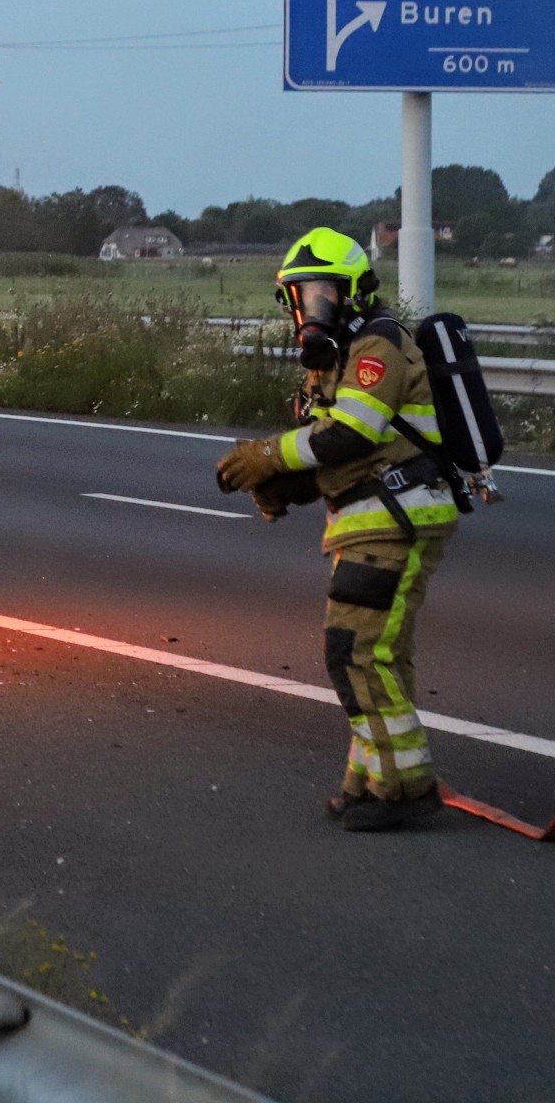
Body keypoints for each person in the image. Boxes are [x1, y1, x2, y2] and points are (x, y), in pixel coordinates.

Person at [217, 228, 460, 831]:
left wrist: (270, 455)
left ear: (354, 292)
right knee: (376, 656)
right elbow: (332, 453)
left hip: (396, 517)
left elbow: (353, 433)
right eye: (300, 296)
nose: (310, 307)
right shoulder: (335, 358)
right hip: (369, 516)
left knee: (352, 652)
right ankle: (371, 779)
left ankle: (406, 790)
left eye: (323, 292)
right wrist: (284, 485)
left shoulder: (377, 343)